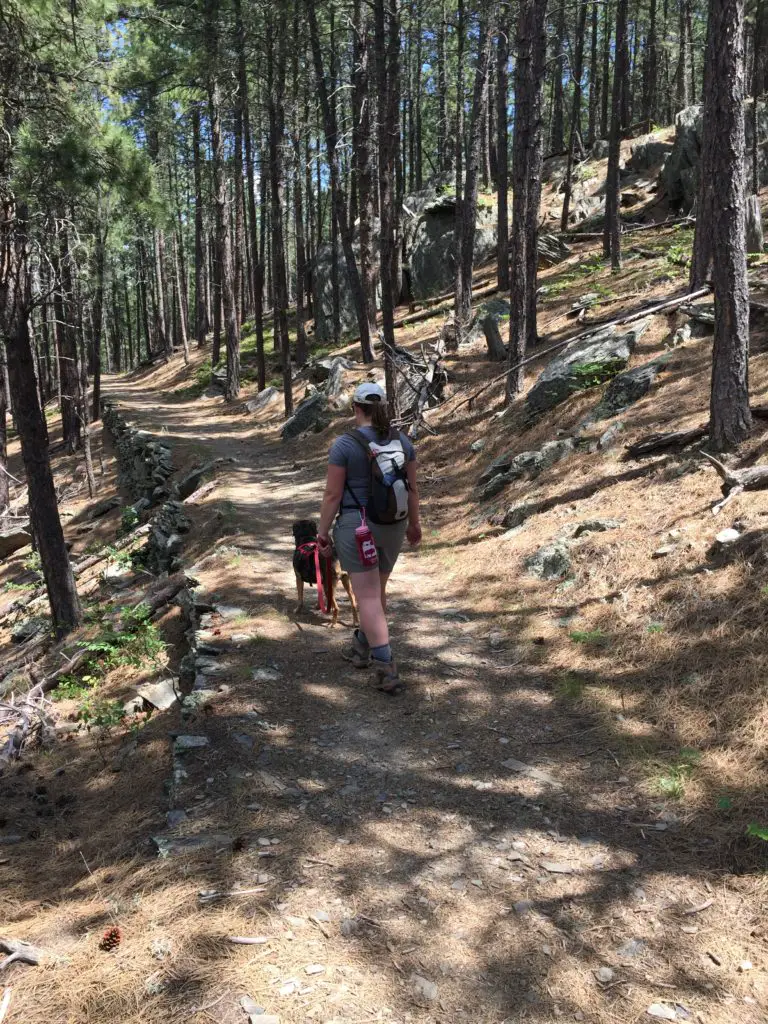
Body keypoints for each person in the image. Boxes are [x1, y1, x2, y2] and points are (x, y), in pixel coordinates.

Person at [317, 382, 421, 694]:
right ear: (383, 408)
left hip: (357, 526)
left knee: (369, 597)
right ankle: (361, 646)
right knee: (376, 592)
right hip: (394, 524)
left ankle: (386, 668)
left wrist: (322, 532)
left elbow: (333, 494)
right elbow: (413, 489)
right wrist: (415, 525)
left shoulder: (345, 445)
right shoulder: (403, 441)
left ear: (356, 408)